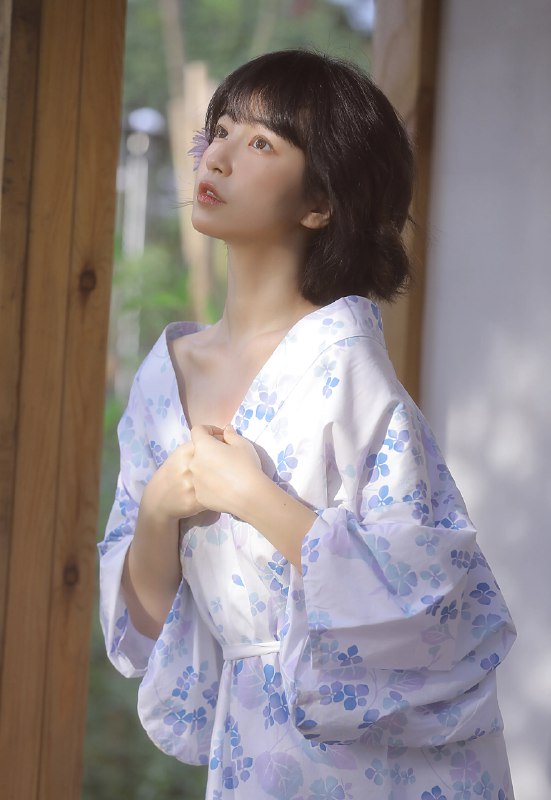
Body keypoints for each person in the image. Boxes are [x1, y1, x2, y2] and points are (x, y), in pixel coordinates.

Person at [99, 50, 516, 799]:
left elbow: (436, 603)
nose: (218, 155)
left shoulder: (347, 369)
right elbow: (144, 631)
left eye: (260, 141)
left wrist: (254, 497)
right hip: (250, 749)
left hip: (376, 765)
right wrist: (159, 509)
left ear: (319, 201)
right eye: (219, 130)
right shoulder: (164, 378)